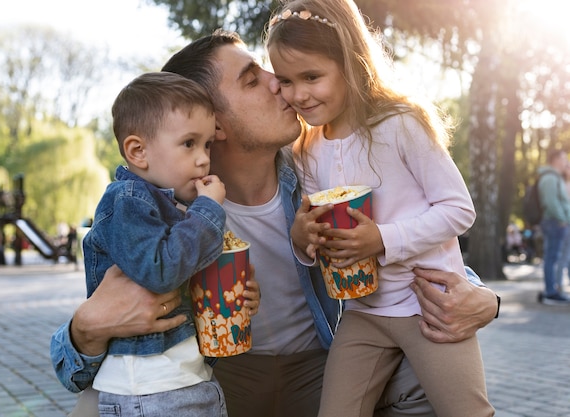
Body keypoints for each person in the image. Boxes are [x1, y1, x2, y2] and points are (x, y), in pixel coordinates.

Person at [51, 30, 500, 417]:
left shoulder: (319, 170)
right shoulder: (163, 206)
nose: (279, 83)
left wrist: (482, 296)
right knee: (95, 406)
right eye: (253, 79)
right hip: (220, 375)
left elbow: (405, 230)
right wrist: (84, 330)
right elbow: (78, 366)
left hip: (318, 366)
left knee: (422, 371)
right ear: (214, 123)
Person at [265, 1, 494, 416]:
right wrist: (303, 240)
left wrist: (382, 239)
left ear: (349, 62)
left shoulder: (401, 123)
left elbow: (459, 209)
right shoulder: (305, 148)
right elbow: (322, 237)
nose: (298, 94)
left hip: (429, 307)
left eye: (312, 77)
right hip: (362, 314)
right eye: (285, 81)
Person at [80, 71, 230, 415]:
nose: (204, 157)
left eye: (207, 144)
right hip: (147, 390)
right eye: (189, 143)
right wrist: (207, 211)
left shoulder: (173, 207)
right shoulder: (127, 202)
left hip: (185, 379)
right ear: (138, 151)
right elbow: (159, 270)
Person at [538, 148, 570, 304]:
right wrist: (563, 218)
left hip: (555, 222)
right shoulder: (550, 178)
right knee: (552, 258)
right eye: (564, 158)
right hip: (554, 222)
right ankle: (550, 292)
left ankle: (552, 290)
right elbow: (551, 202)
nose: (566, 161)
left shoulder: (554, 177)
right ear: (556, 160)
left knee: (554, 257)